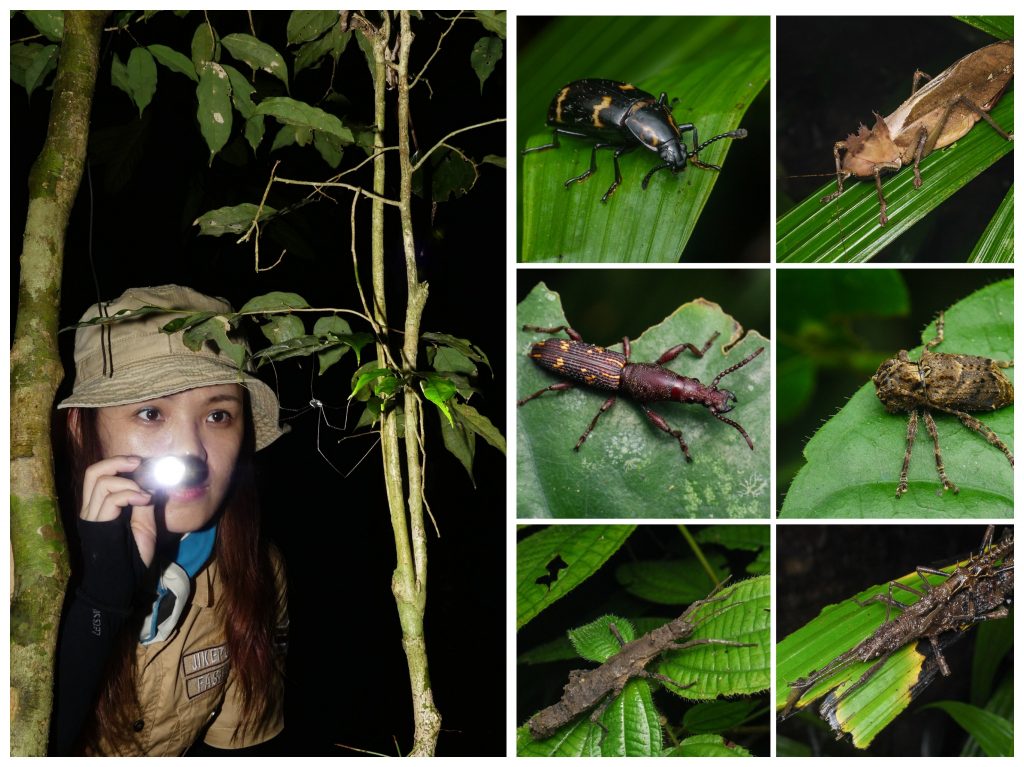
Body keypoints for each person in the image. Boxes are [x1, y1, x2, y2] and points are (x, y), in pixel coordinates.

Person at [52, 285, 288, 755]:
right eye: (150, 412)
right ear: (81, 429)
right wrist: (98, 599)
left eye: (219, 414)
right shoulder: (19, 564)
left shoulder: (256, 570)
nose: (190, 453)